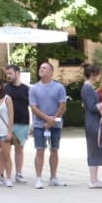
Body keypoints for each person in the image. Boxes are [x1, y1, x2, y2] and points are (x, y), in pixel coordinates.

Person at [29, 61, 67, 189]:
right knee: (40, 149)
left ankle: (53, 177)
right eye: (40, 67)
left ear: (51, 72)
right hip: (40, 124)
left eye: (44, 68)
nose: (41, 70)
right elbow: (33, 107)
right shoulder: (34, 88)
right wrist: (46, 118)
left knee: (54, 149)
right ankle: (39, 178)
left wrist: (54, 119)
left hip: (55, 124)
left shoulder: (59, 87)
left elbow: (62, 106)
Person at [3, 63, 31, 183]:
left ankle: (19, 173)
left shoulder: (26, 89)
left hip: (22, 122)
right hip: (7, 123)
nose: (8, 76)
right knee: (5, 149)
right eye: (7, 73)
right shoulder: (5, 88)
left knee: (19, 148)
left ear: (17, 73)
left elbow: (32, 106)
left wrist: (32, 124)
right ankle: (4, 172)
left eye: (10, 73)